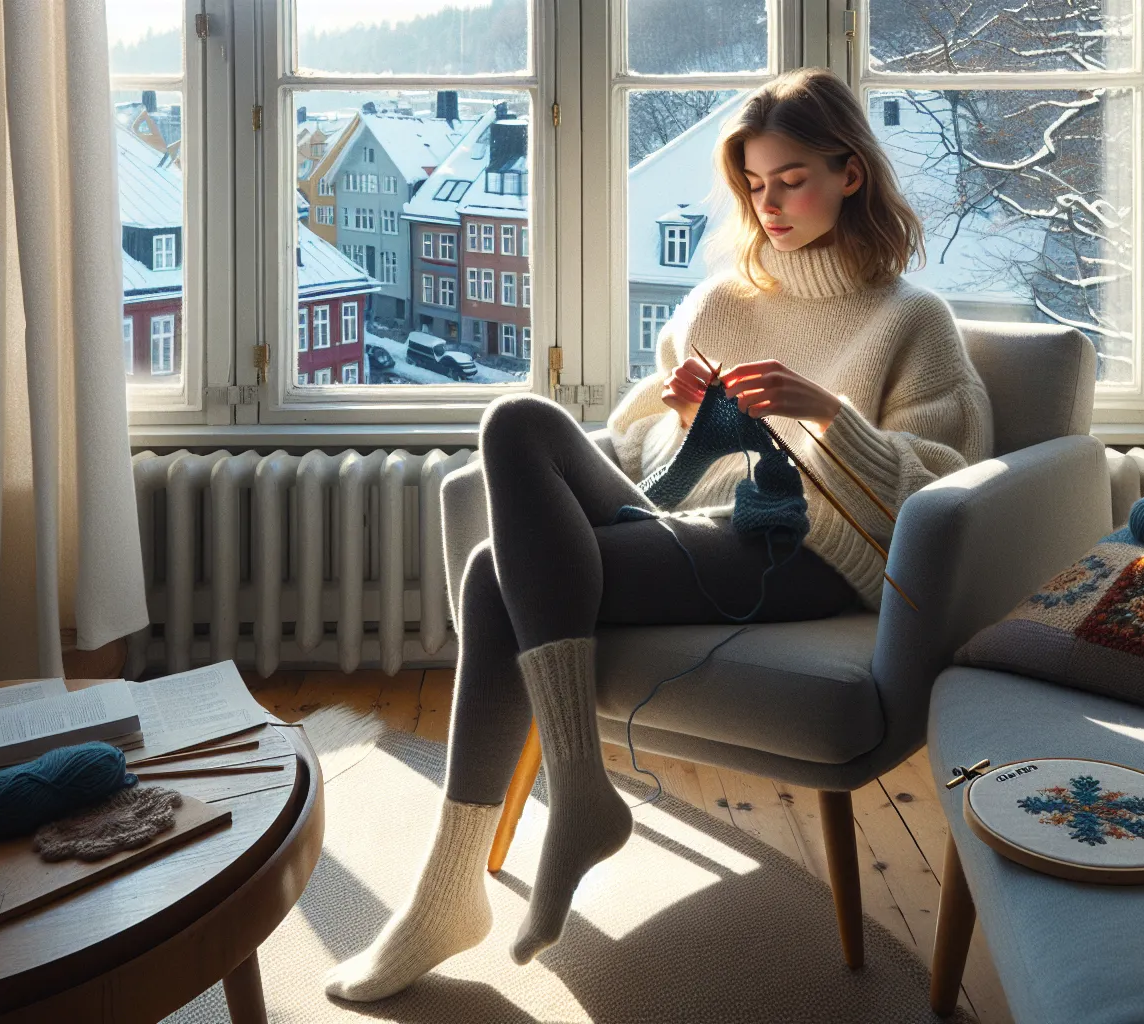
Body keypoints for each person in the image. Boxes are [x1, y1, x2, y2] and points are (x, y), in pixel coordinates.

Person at [324, 66, 992, 1001]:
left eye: (791, 180)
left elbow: (943, 491)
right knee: (519, 420)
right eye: (753, 185)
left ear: (851, 172)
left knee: (489, 576)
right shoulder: (720, 300)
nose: (769, 206)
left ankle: (464, 876)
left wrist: (828, 416)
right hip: (686, 522)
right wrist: (678, 416)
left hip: (805, 552)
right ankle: (566, 799)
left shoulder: (911, 320)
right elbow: (641, 450)